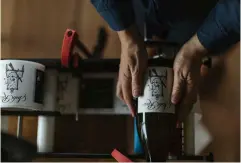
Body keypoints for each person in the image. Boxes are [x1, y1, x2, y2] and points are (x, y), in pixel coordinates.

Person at [90, 0, 240, 121]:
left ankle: (203, 59)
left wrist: (198, 46)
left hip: (205, 14)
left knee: (202, 52)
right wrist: (127, 36)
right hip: (139, 11)